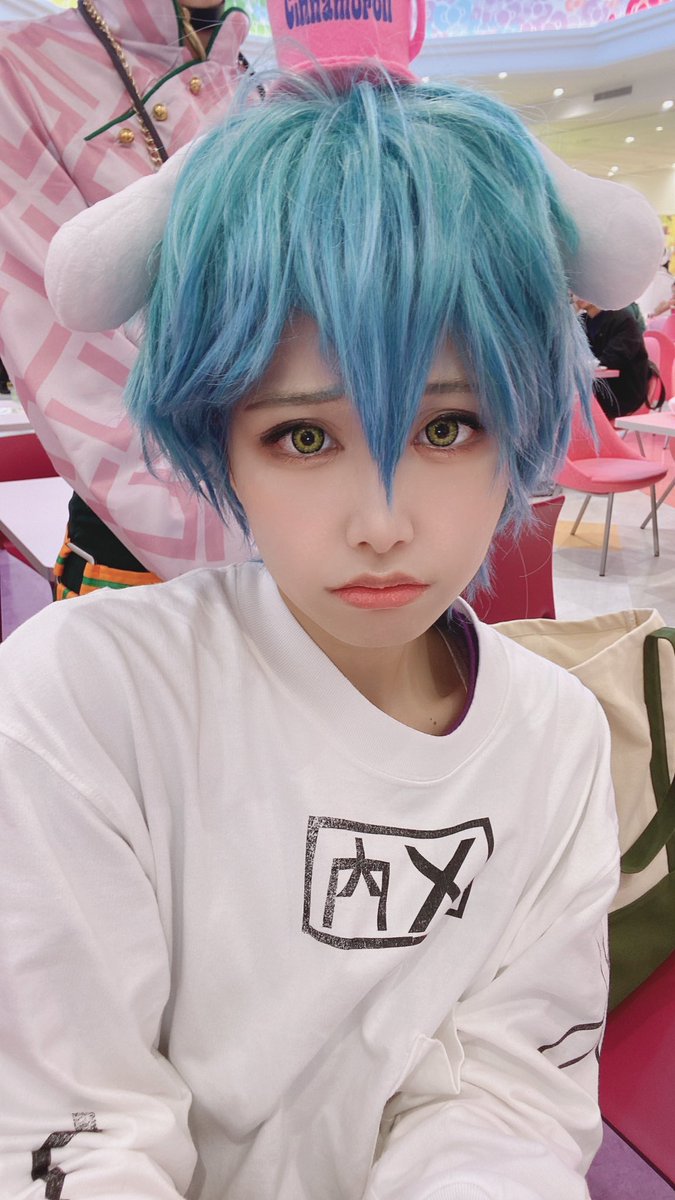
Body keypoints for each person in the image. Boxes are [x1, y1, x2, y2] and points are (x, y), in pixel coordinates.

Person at [0, 66, 621, 1200]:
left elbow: (505, 1101)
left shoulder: (557, 739)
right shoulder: (86, 700)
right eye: (302, 437)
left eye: (446, 426)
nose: (380, 524)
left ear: (522, 423)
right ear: (218, 441)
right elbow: (67, 1129)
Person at [0, 0, 251, 596]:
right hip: (161, 557)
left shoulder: (252, 71)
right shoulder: (22, 68)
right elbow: (67, 358)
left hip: (326, 531)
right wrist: (264, 561)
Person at [574, 298, 650, 418]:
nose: (578, 296)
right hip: (593, 391)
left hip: (620, 394)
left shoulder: (623, 319)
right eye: (575, 292)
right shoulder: (581, 321)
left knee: (572, 410)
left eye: (583, 291)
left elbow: (612, 360)